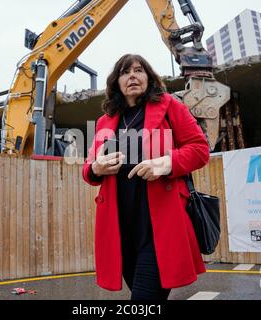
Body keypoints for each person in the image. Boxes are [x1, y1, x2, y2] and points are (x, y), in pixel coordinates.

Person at [82, 54, 209, 300]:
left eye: (139, 70)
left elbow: (200, 149)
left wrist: (168, 163)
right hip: (121, 229)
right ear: (116, 83)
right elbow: (89, 167)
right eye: (125, 72)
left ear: (148, 78)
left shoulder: (170, 106)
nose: (132, 76)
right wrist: (96, 168)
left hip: (160, 227)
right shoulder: (105, 121)